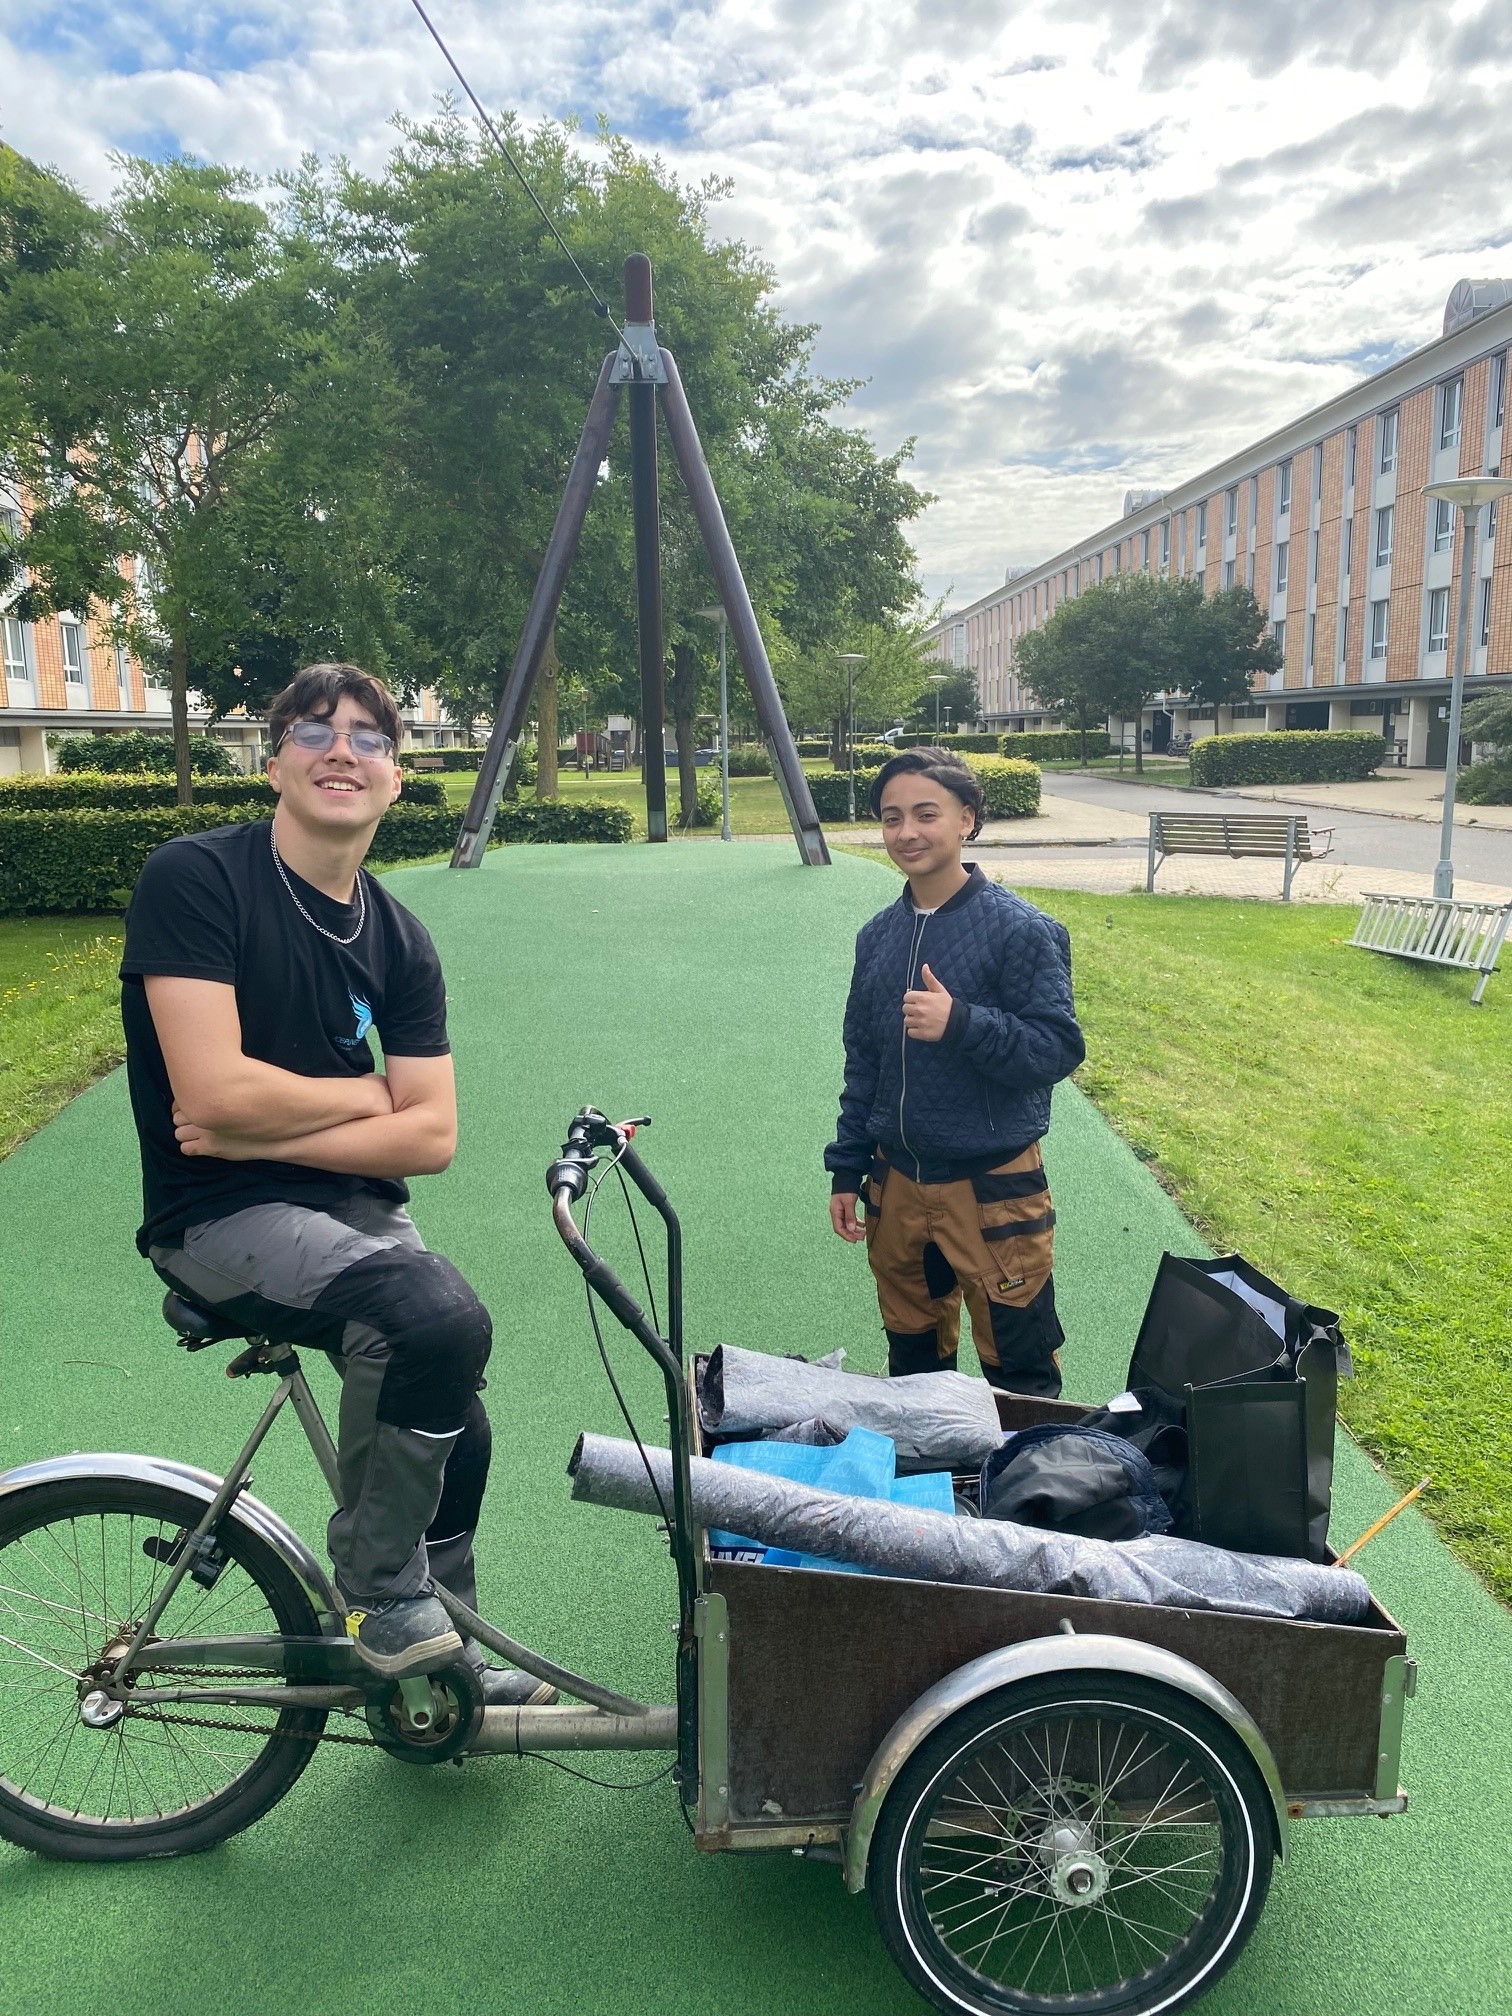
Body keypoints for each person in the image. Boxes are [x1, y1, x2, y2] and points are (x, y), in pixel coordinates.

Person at [119, 661, 552, 1700]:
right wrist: (366, 1097)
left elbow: (431, 1136)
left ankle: (441, 1667)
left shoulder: (399, 938)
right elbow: (214, 1095)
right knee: (430, 1319)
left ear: (396, 777)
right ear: (274, 764)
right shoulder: (197, 879)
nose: (342, 750)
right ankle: (376, 1591)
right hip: (215, 1213)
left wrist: (275, 1123)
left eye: (368, 737)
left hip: (348, 1211)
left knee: (459, 1420)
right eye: (313, 731)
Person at [825, 747, 1085, 1398]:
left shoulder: (1022, 931)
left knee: (1019, 1371)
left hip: (992, 1190)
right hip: (896, 1186)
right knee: (914, 1363)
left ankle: (1024, 1468)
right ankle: (926, 1463)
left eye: (926, 814)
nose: (906, 832)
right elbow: (864, 1061)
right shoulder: (877, 937)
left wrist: (962, 1023)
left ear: (967, 819)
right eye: (891, 818)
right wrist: (847, 1169)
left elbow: (1056, 1048)